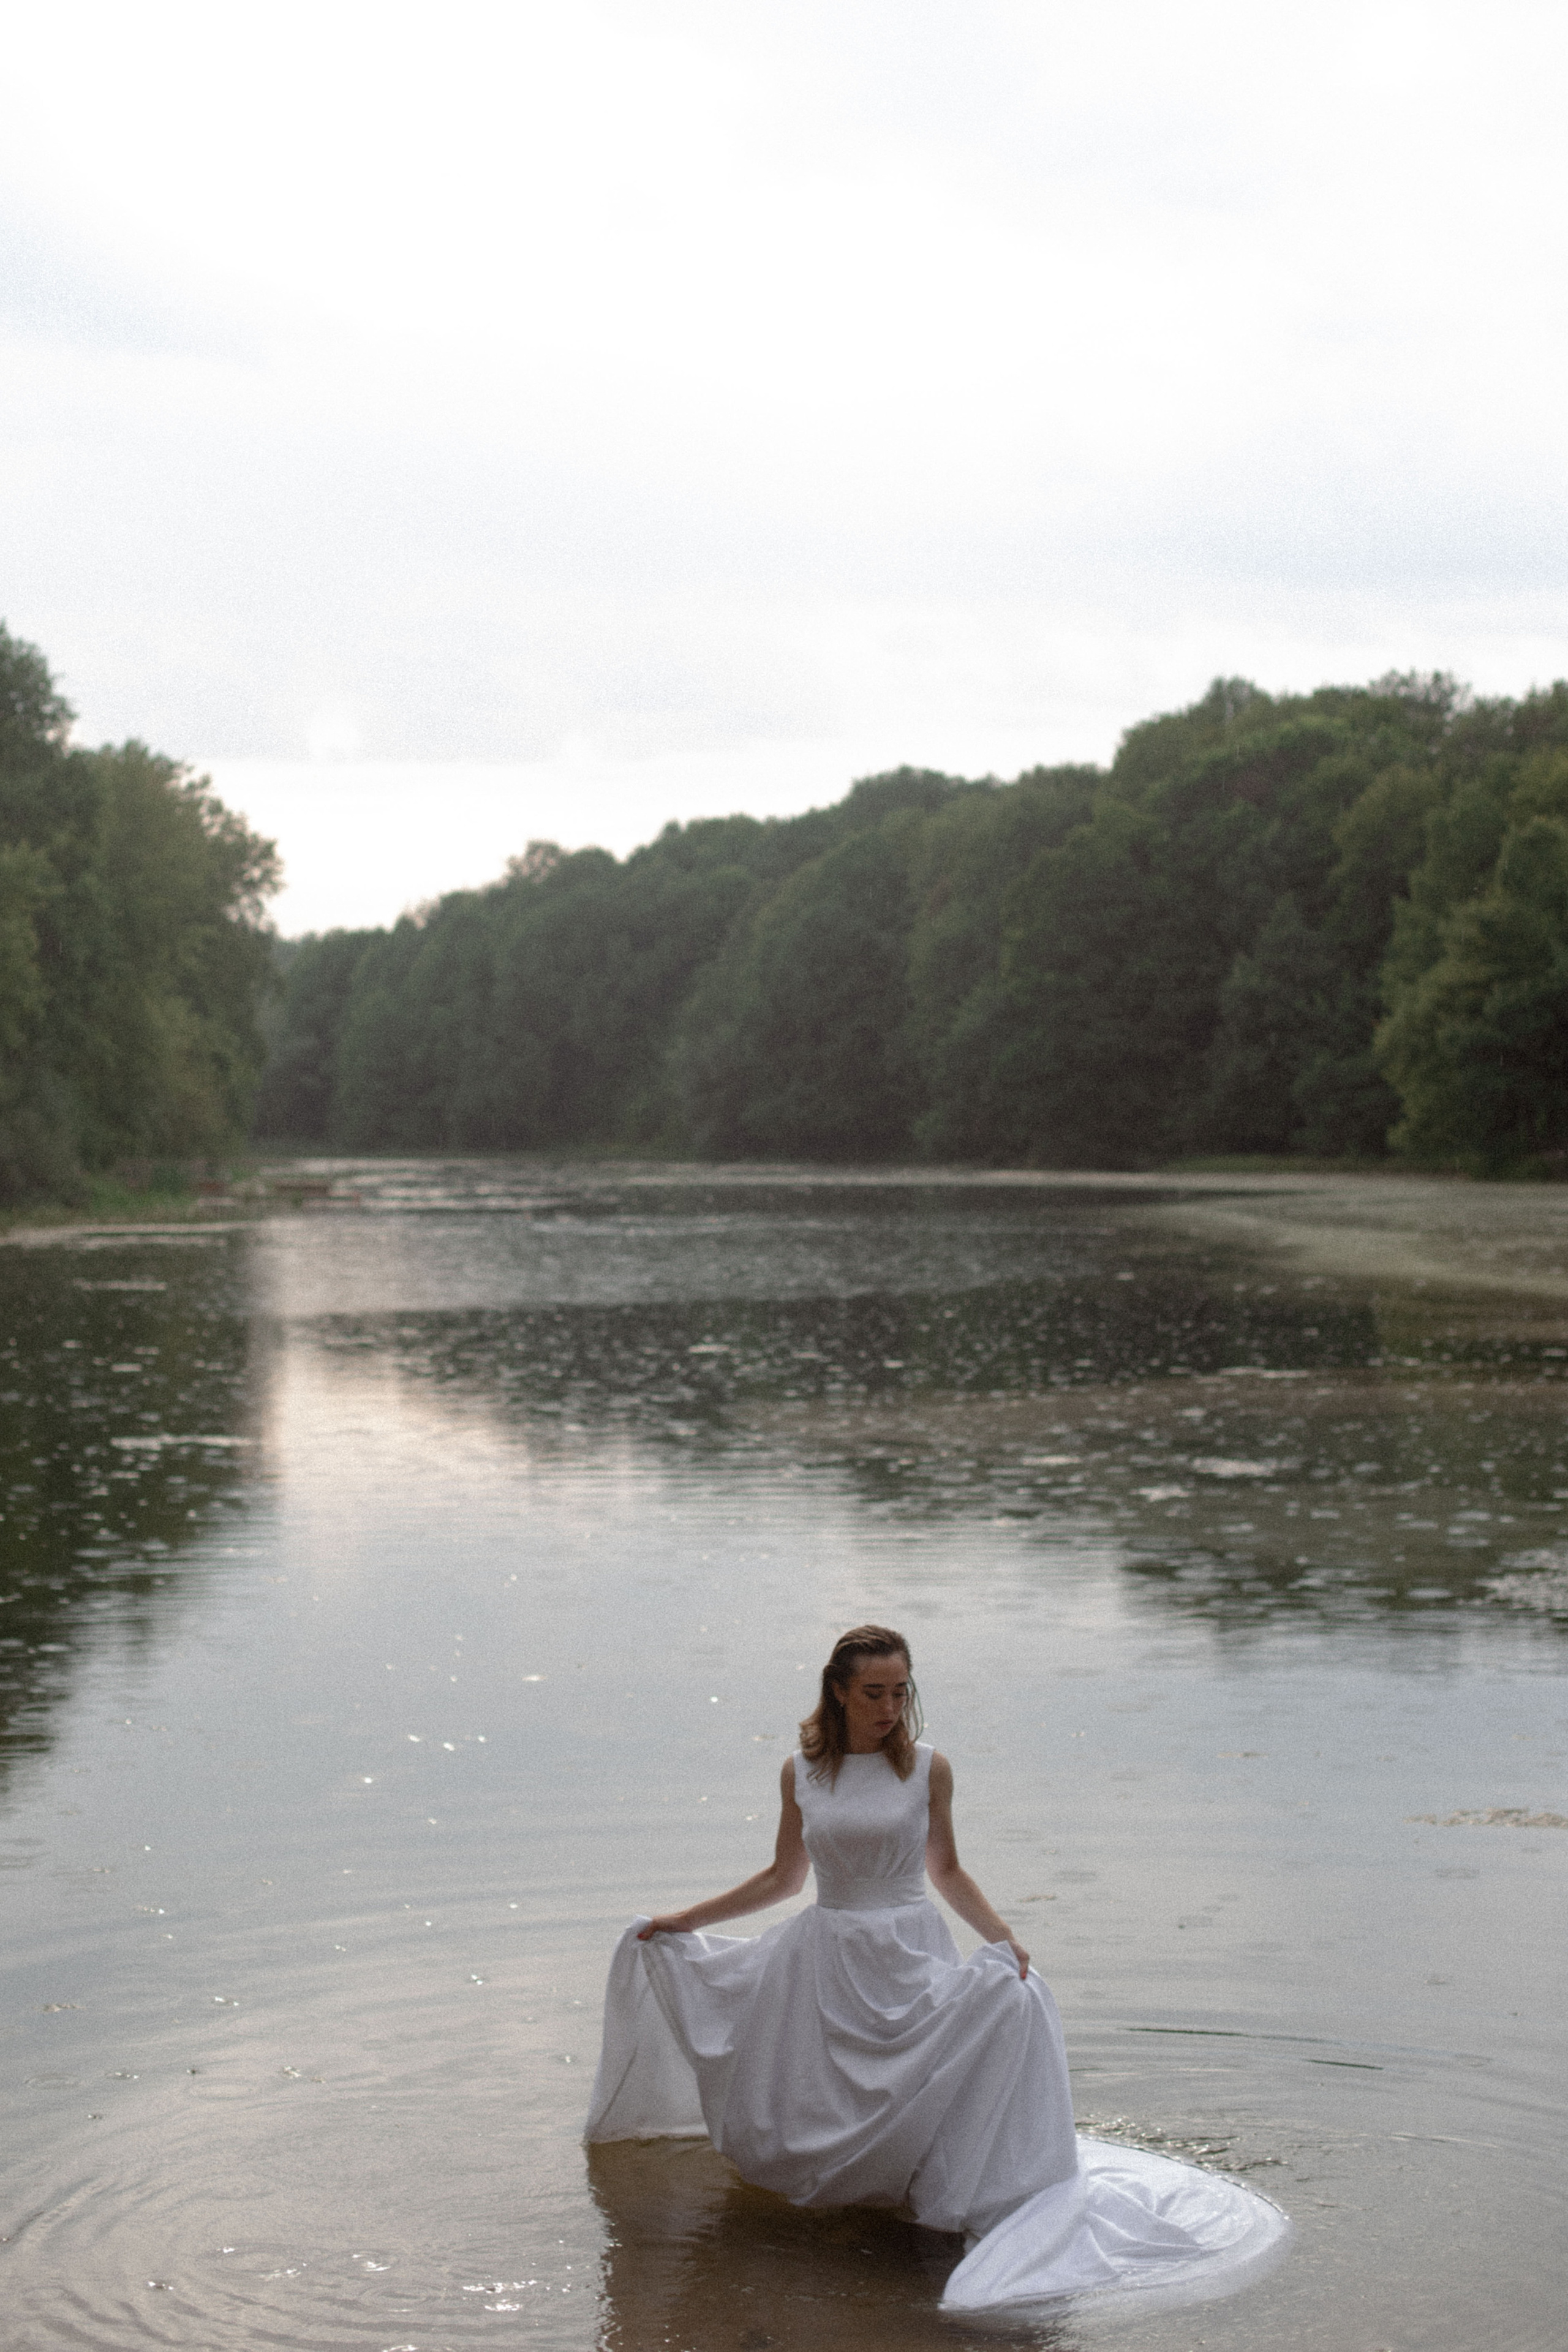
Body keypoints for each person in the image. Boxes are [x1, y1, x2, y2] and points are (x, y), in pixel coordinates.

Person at [585, 1623, 1289, 2312]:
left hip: (907, 1947)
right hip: (826, 1953)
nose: (889, 1709)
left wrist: (1001, 1936)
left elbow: (945, 1868)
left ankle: (936, 2190)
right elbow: (783, 1878)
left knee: (998, 2010)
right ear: (837, 1692)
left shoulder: (927, 1767)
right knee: (819, 2096)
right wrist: (687, 1921)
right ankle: (850, 2201)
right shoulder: (800, 1772)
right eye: (873, 1693)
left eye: (899, 1692)